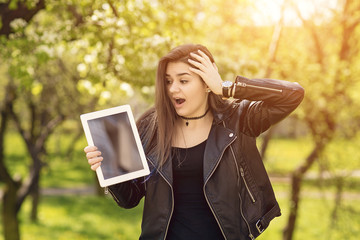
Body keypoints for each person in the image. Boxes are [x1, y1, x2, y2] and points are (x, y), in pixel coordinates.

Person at [84, 43, 304, 240]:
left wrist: (227, 88)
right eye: (168, 81)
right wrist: (107, 169)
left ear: (207, 83)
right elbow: (129, 199)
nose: (172, 89)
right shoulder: (150, 126)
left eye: (183, 80)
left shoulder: (239, 120)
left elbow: (293, 94)